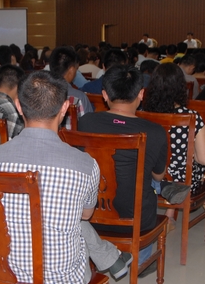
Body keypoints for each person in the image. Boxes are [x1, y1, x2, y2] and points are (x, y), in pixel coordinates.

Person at [0, 70, 131, 284]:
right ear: (65, 108)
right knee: (75, 223)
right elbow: (86, 216)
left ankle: (106, 263)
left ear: (18, 106)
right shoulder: (85, 165)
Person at [79, 65, 193, 246]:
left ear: (105, 95)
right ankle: (141, 256)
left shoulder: (85, 123)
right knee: (150, 179)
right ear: (141, 94)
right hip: (137, 222)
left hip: (90, 216)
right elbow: (158, 175)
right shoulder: (155, 131)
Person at [142, 63, 205, 229]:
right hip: (183, 180)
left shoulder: (143, 115)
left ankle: (166, 209)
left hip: (149, 177)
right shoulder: (192, 117)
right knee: (193, 165)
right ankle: (170, 213)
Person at [49, 46, 93, 129]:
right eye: (76, 69)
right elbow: (88, 129)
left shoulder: (38, 93)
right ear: (71, 70)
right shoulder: (79, 97)